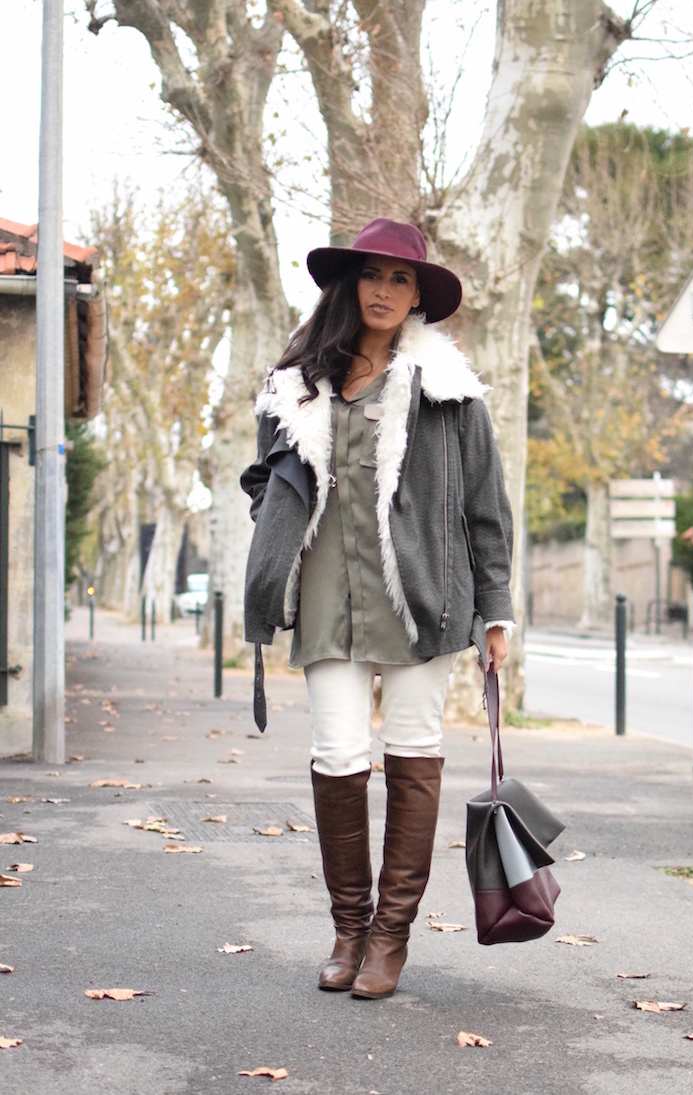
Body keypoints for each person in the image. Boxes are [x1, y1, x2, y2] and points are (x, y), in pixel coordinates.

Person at [240, 217, 514, 999]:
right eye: (373, 276)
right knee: (336, 755)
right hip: (326, 592)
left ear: (418, 293)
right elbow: (262, 475)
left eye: (401, 279)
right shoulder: (294, 385)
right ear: (349, 286)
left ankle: (390, 939)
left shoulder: (449, 391)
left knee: (414, 751)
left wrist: (496, 610)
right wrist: (277, 520)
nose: (386, 290)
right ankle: (348, 928)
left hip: (423, 595)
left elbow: (487, 509)